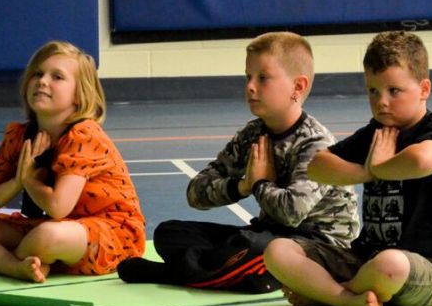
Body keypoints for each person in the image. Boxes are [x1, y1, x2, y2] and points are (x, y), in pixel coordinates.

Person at [116, 32, 358, 292]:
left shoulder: (315, 143)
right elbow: (196, 192)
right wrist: (242, 186)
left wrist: (261, 182)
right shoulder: (253, 134)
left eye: (263, 78)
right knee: (169, 233)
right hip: (268, 233)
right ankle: (227, 270)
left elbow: (291, 213)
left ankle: (171, 274)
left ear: (297, 87)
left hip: (315, 248)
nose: (250, 86)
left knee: (253, 247)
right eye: (248, 77)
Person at [263, 30, 432, 306]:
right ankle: (344, 299)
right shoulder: (376, 132)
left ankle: (333, 292)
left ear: (424, 89)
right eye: (373, 91)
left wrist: (381, 166)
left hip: (425, 270)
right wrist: (367, 172)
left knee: (391, 263)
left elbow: (422, 160)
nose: (382, 102)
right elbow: (317, 165)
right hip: (364, 260)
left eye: (394, 91)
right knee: (277, 251)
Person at [0, 41, 144, 282]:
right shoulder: (20, 136)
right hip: (48, 225)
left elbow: (58, 207)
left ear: (79, 95)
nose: (43, 81)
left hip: (109, 231)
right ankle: (17, 267)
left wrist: (29, 179)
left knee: (47, 236)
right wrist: (16, 182)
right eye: (38, 73)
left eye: (57, 77)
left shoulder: (84, 135)